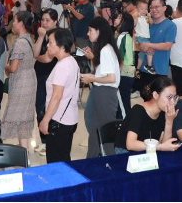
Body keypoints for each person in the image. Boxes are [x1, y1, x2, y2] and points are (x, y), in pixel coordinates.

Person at [80, 17, 122, 158]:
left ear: (99, 31)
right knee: (94, 129)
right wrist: (92, 58)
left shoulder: (105, 50)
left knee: (106, 130)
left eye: (90, 30)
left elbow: (111, 78)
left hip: (105, 93)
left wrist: (91, 78)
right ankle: (92, 158)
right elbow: (102, 70)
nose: (88, 33)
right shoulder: (105, 49)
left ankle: (110, 160)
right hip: (101, 92)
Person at [39, 28, 80, 164]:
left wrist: (45, 121)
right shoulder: (71, 61)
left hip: (59, 121)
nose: (48, 45)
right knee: (63, 159)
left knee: (56, 163)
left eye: (50, 42)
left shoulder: (62, 66)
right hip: (69, 118)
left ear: (61, 46)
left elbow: (56, 96)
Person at [1, 11, 37, 151]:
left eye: (14, 21)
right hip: (29, 79)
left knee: (17, 113)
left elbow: (13, 67)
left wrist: (5, 66)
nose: (12, 24)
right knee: (24, 116)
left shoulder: (20, 42)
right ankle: (24, 149)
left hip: (22, 82)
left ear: (21, 23)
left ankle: (24, 150)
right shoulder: (28, 38)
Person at [115, 77, 180, 154]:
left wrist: (169, 121)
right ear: (155, 95)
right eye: (169, 97)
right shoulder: (138, 111)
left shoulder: (163, 112)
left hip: (147, 153)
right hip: (125, 153)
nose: (173, 102)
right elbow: (130, 144)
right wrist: (159, 147)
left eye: (174, 97)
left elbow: (165, 145)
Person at [138, 0, 177, 92]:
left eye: (157, 7)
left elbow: (167, 45)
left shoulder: (170, 25)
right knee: (145, 96)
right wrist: (142, 46)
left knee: (158, 97)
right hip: (144, 68)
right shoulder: (147, 23)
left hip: (159, 70)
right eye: (151, 7)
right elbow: (139, 42)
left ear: (164, 8)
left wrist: (148, 45)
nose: (154, 10)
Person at [33, 9, 59, 157]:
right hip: (39, 75)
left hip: (52, 76)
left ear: (55, 21)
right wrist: (41, 37)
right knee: (39, 107)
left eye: (48, 20)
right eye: (42, 20)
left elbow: (47, 58)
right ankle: (43, 141)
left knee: (48, 107)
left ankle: (49, 142)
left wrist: (38, 57)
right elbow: (35, 53)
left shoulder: (58, 36)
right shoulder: (41, 35)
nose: (44, 23)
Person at [114, 12, 135, 116]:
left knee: (122, 104)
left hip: (123, 73)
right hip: (129, 73)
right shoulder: (128, 36)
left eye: (119, 18)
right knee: (125, 101)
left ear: (124, 23)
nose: (115, 19)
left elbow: (120, 60)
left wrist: (116, 77)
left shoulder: (122, 37)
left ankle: (124, 123)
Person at [135, 0, 154, 74]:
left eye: (146, 9)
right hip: (140, 37)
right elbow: (134, 24)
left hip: (146, 38)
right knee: (150, 50)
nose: (144, 11)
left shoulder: (146, 18)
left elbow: (151, 23)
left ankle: (138, 69)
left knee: (142, 55)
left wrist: (149, 17)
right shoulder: (138, 17)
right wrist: (137, 16)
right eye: (142, 9)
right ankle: (149, 66)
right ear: (137, 9)